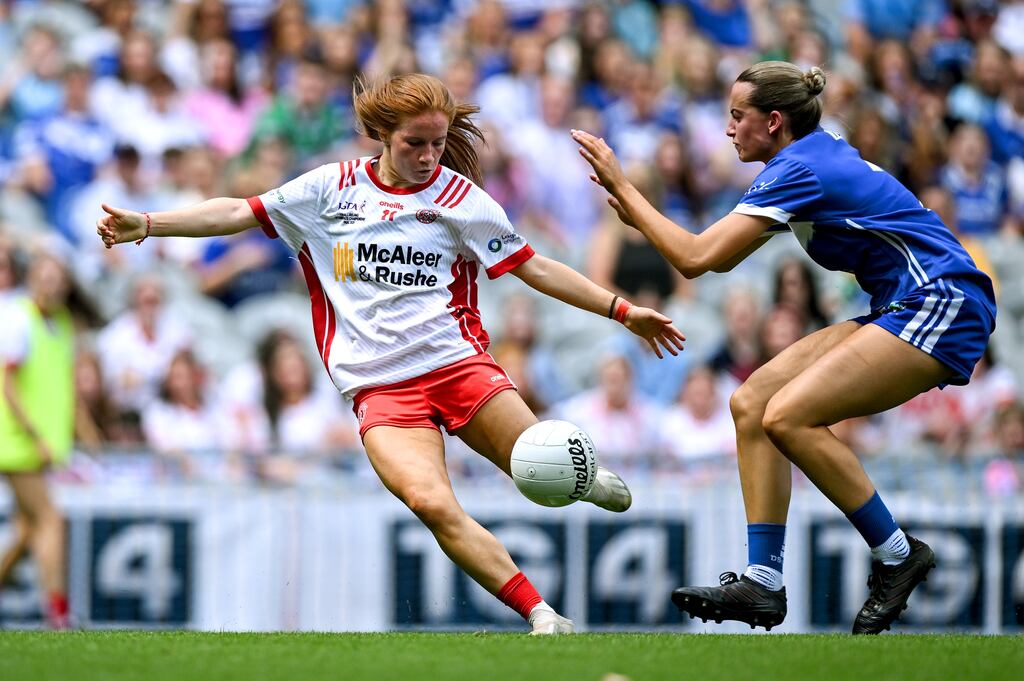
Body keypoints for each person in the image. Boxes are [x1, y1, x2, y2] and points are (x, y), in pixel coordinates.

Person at [95, 72, 685, 635]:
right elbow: (235, 211)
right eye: (415, 144)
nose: (429, 156)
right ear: (383, 135)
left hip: (458, 366)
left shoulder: (462, 199)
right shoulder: (329, 189)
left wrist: (622, 310)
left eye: (437, 143)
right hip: (380, 388)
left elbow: (537, 268)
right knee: (431, 502)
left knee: (535, 472)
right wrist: (148, 223)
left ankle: (584, 480)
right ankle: (541, 614)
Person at [572, 60, 996, 635]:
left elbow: (699, 259)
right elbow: (713, 253)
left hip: (941, 300)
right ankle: (763, 583)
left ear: (773, 122)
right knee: (752, 405)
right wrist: (641, 215)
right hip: (905, 302)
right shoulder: (810, 152)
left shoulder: (798, 167)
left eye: (736, 116)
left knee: (789, 417)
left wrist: (626, 187)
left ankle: (898, 554)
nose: (727, 129)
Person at [0, 249, 75, 629]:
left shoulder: (59, 323)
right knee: (50, 519)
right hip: (16, 442)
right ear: (32, 279)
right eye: (46, 277)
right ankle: (58, 613)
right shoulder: (17, 318)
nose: (52, 284)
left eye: (58, 277)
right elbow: (8, 384)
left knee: (27, 530)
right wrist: (36, 435)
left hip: (33, 444)